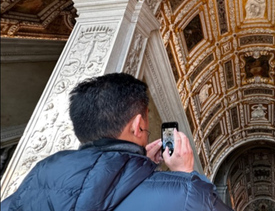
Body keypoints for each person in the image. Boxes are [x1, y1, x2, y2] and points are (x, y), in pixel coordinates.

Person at [1, 73, 233, 211]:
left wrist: (140, 166)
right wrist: (185, 176)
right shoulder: (186, 194)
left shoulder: (39, 174)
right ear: (137, 125)